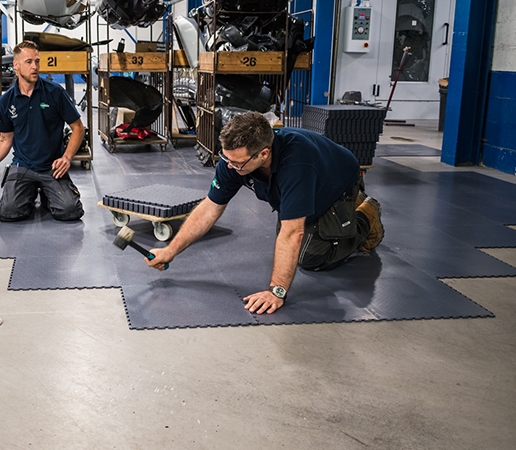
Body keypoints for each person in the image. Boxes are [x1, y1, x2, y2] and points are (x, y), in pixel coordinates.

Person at [146, 111, 384, 314]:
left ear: (264, 154)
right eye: (225, 158)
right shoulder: (234, 159)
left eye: (237, 163)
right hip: (306, 184)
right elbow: (209, 208)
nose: (229, 166)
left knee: (311, 258)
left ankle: (365, 215)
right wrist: (171, 251)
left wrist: (276, 292)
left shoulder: (297, 164)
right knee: (295, 241)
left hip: (337, 185)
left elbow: (293, 233)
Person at [0, 40, 85, 222]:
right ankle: (28, 193)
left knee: (70, 211)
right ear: (16, 65)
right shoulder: (7, 100)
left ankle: (47, 194)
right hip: (23, 166)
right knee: (8, 213)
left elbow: (78, 128)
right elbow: (5, 140)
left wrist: (66, 157)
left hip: (52, 166)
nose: (35, 67)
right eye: (29, 62)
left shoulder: (55, 93)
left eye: (37, 61)